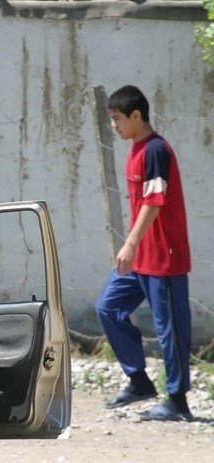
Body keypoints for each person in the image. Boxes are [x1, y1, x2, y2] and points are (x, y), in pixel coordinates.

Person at [96, 85, 193, 421]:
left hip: (163, 257)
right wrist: (134, 248)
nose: (114, 125)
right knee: (108, 307)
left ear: (136, 115)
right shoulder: (135, 149)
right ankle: (139, 380)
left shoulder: (155, 150)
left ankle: (178, 402)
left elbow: (154, 201)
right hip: (139, 258)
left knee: (171, 330)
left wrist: (130, 242)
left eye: (117, 118)